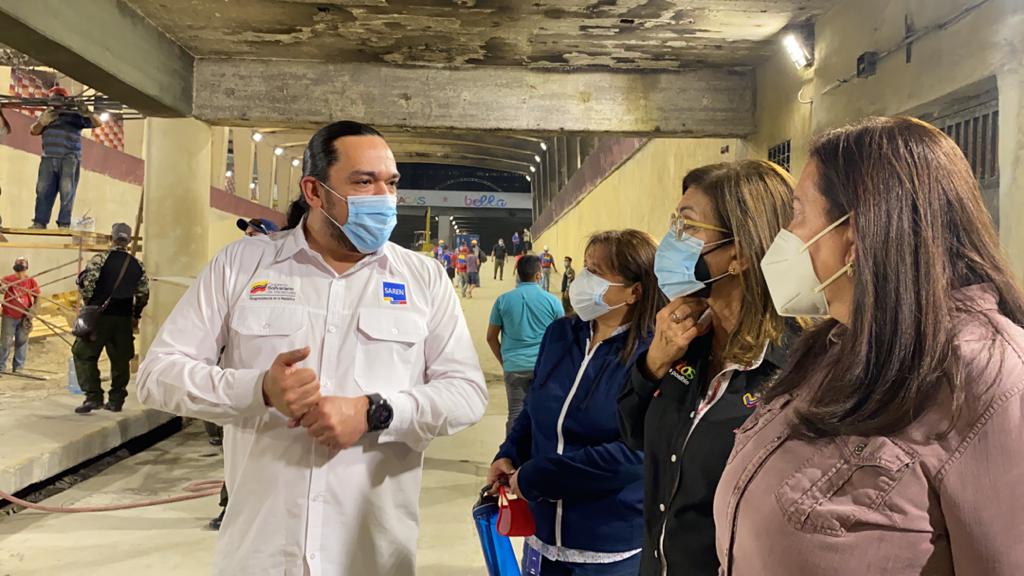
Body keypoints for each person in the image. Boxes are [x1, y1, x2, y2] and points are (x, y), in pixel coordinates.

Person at [137, 120, 487, 576]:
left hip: (370, 556)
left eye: (391, 182)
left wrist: (375, 412)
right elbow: (157, 375)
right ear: (315, 191)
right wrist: (260, 390)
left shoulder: (423, 279)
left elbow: (466, 393)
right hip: (263, 554)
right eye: (364, 182)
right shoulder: (241, 266)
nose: (384, 197)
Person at [714, 117, 1024, 575]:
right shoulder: (836, 345)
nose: (785, 236)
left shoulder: (987, 377)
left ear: (855, 235)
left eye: (797, 213)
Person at [616, 160, 794, 576]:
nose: (671, 241)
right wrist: (653, 364)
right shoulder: (685, 338)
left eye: (688, 226)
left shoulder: (793, 369)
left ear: (740, 254)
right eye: (674, 223)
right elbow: (633, 434)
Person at [488, 229, 665, 576]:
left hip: (607, 546)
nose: (584, 280)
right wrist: (509, 453)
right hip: (540, 537)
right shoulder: (561, 334)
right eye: (585, 268)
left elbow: (637, 454)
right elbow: (534, 407)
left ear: (635, 291)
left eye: (597, 272)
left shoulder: (652, 355)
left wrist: (540, 476)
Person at [73, 223, 149, 413]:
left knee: (83, 354)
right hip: (123, 319)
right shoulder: (137, 264)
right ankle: (116, 400)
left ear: (112, 238)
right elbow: (143, 293)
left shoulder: (100, 259)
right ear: (129, 241)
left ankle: (93, 397)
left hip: (100, 318)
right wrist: (136, 314)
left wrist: (90, 305)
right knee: (121, 360)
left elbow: (88, 284)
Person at [486, 255, 564, 434]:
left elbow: (491, 337)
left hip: (514, 366)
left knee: (515, 414)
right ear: (538, 275)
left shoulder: (503, 301)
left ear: (518, 275)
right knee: (543, 415)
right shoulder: (552, 301)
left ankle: (511, 451)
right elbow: (561, 337)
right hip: (543, 368)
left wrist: (505, 361)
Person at [29, 86, 101, 229]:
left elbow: (97, 123)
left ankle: (64, 223)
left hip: (69, 158)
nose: (56, 101)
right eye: (53, 98)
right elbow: (33, 131)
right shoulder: (47, 115)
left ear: (65, 100)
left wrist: (88, 113)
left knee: (67, 191)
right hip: (48, 157)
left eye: (58, 98)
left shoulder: (74, 115)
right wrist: (42, 122)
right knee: (43, 191)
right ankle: (40, 222)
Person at [0, 257, 40, 374]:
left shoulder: (30, 281)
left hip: (24, 316)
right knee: (6, 341)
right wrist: (2, 288)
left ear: (26, 269)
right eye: (18, 271)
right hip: (9, 315)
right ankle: (1, 367)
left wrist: (33, 310)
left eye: (22, 271)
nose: (20, 274)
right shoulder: (8, 279)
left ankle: (18, 367)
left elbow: (37, 297)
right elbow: (1, 287)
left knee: (22, 342)